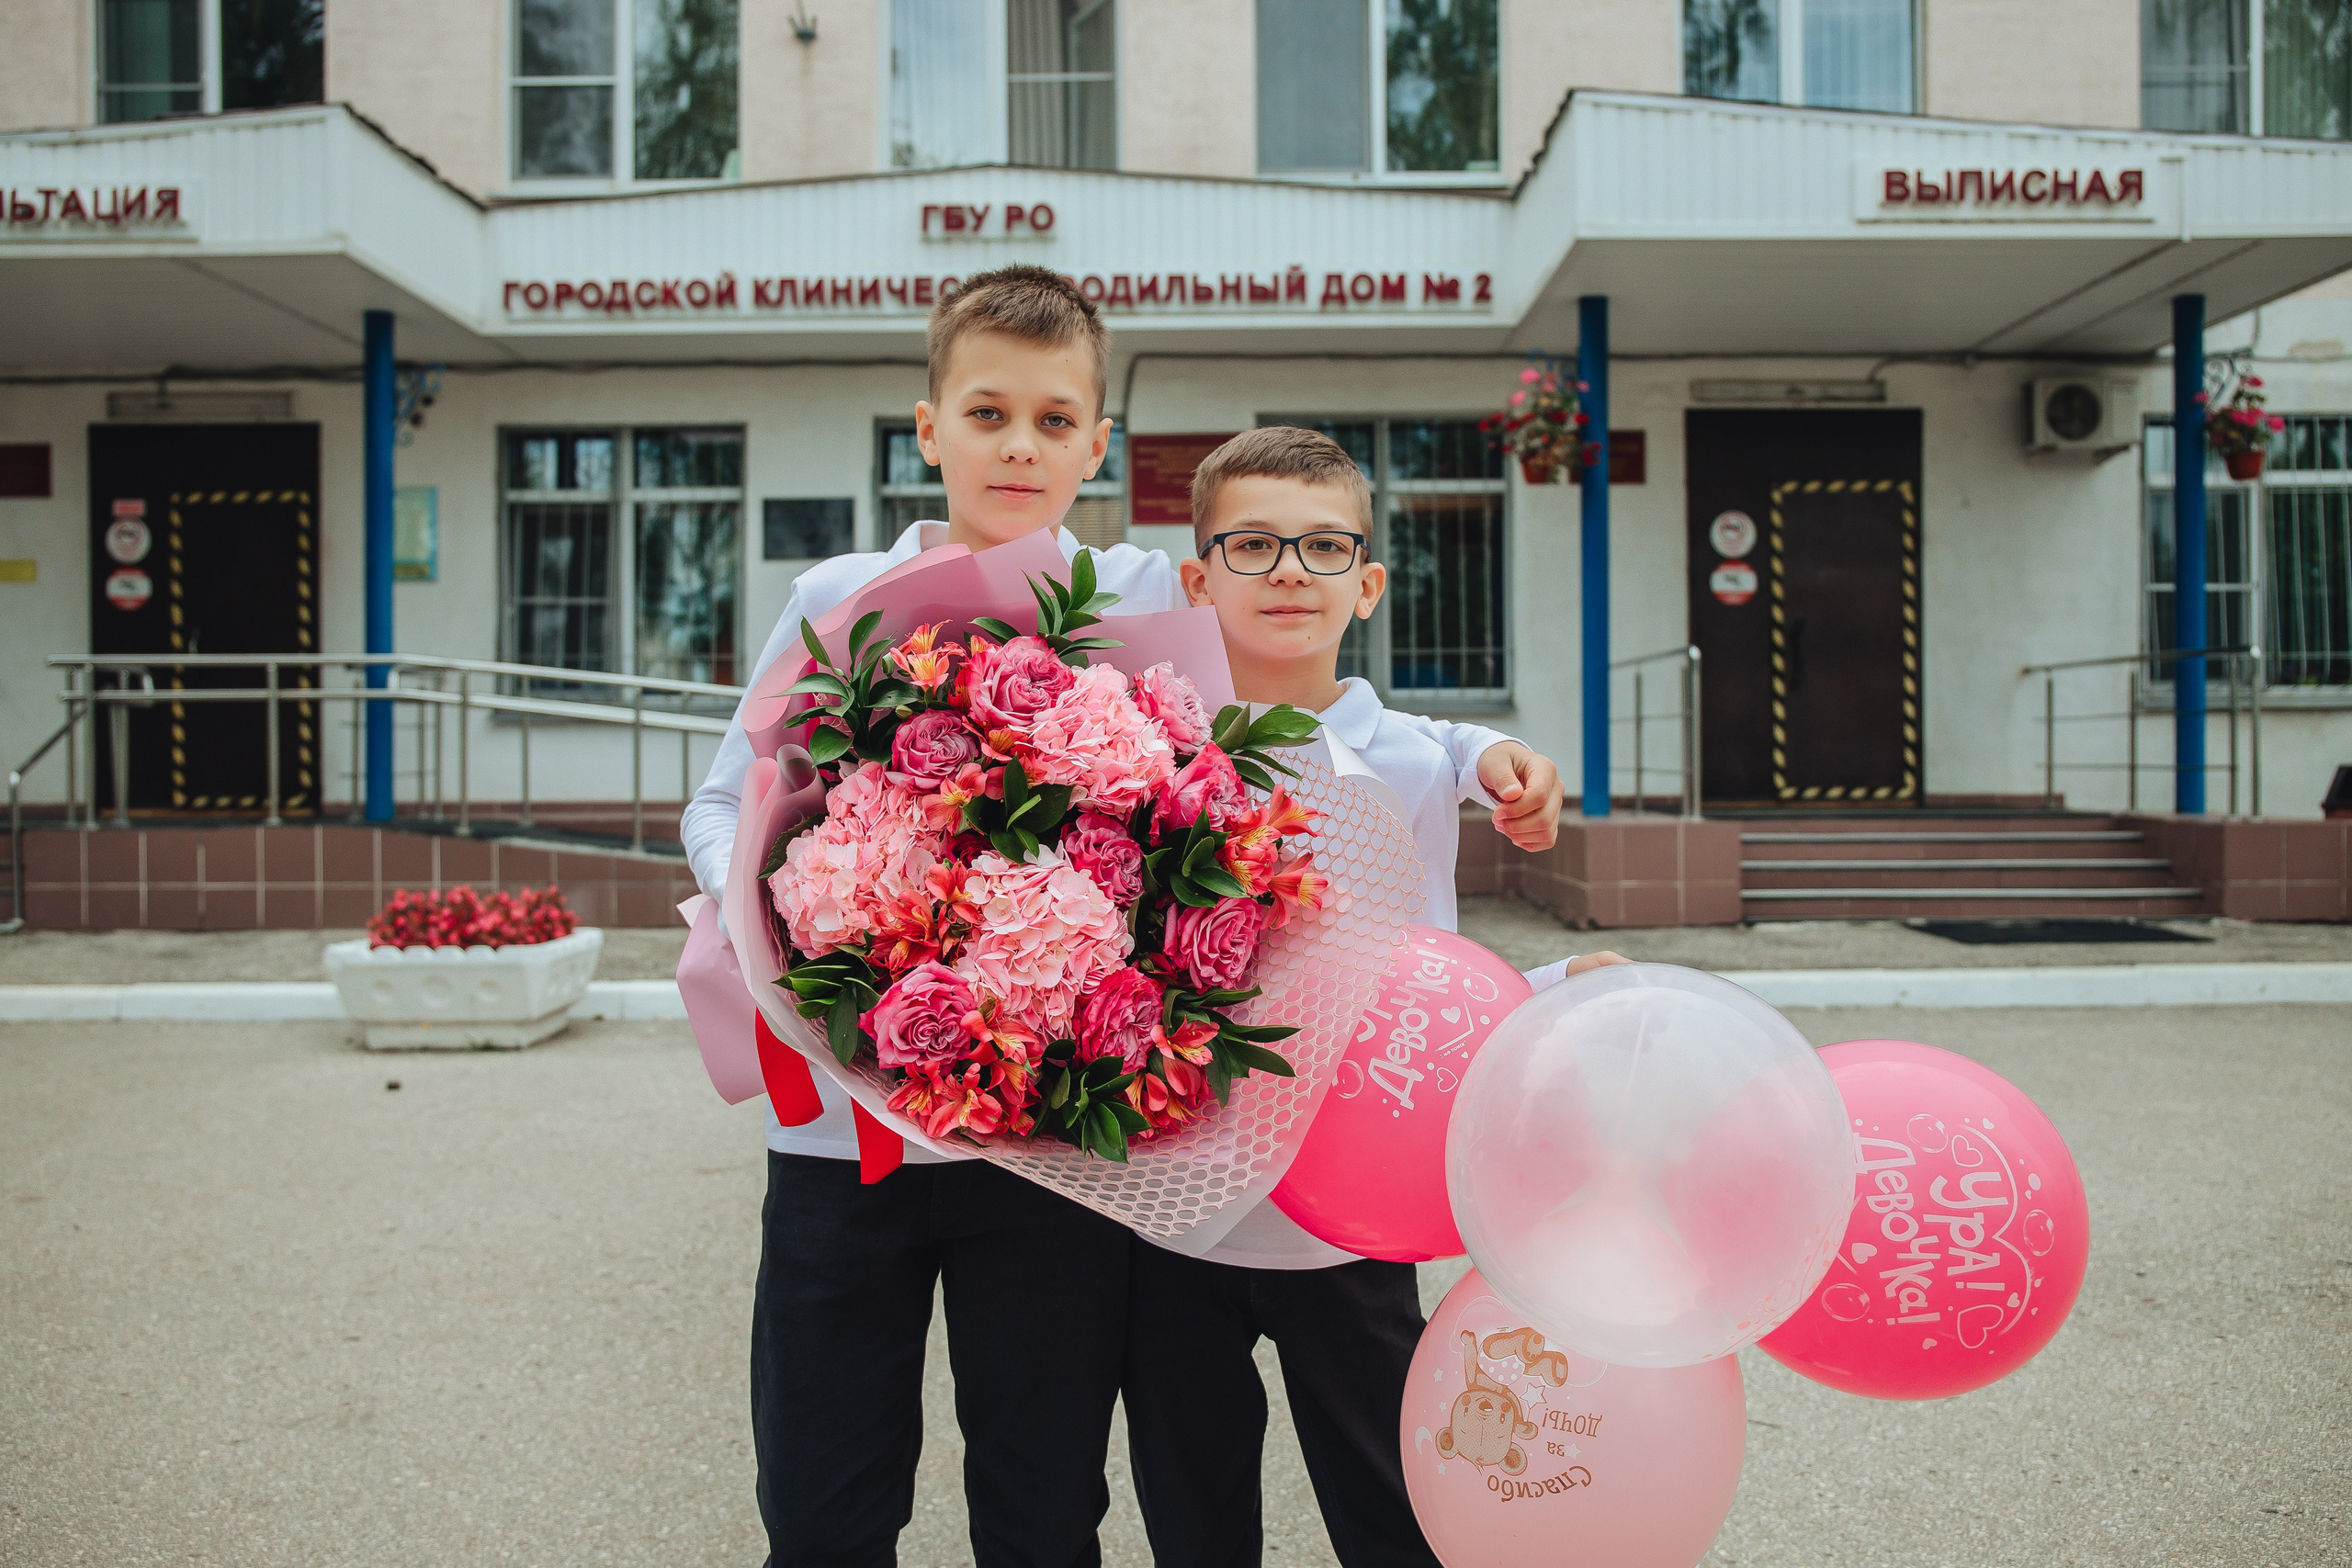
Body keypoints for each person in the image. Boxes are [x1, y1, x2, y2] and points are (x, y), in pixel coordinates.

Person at [678, 265, 1566, 1566]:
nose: (1020, 446)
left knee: (1043, 1503)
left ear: (1101, 441)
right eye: (987, 414)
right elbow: (724, 802)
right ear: (928, 429)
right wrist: (802, 941)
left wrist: (1483, 745)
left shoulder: (1146, 592)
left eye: (1054, 420)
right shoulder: (834, 599)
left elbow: (1303, 685)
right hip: (840, 1133)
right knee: (824, 1496)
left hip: (1046, 1150)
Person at [1120, 424, 1625, 1568]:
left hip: (1347, 1233)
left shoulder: (1412, 762)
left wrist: (1545, 991)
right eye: (1250, 545)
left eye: (1320, 546)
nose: (1288, 570)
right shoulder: (1140, 755)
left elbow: (1416, 982)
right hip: (1176, 1216)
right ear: (1196, 580)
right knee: (1192, 1517)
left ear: (1369, 582)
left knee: (1390, 1510)